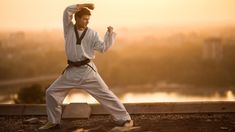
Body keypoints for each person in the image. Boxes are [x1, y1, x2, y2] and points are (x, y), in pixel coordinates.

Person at [39, 3, 133, 130]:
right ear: (76, 18)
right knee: (51, 92)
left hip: (87, 71)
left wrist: (109, 34)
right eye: (84, 19)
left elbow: (103, 48)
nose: (87, 22)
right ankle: (53, 121)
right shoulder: (68, 29)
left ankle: (124, 118)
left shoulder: (92, 34)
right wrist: (83, 5)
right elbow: (67, 11)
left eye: (88, 19)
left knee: (106, 94)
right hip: (71, 72)